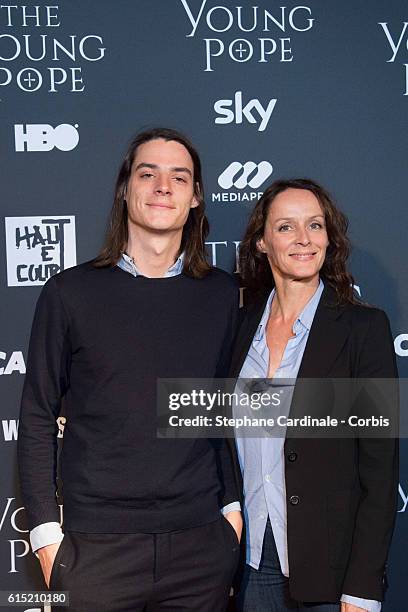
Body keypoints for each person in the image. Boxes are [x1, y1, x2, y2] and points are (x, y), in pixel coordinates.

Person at [18, 127, 242, 611]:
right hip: (96, 551)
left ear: (196, 197)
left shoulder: (224, 296)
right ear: (125, 188)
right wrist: (43, 535)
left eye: (179, 177)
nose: (163, 186)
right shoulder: (69, 293)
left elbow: (227, 411)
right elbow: (37, 414)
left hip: (201, 547)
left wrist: (231, 513)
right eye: (148, 173)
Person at [229, 178, 398, 612]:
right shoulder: (238, 328)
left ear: (329, 237)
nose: (304, 239)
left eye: (315, 226)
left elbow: (380, 475)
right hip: (249, 564)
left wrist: (361, 589)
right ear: (262, 242)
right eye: (286, 227)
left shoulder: (364, 330)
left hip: (331, 573)